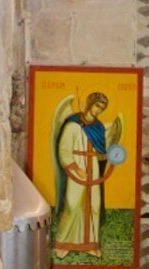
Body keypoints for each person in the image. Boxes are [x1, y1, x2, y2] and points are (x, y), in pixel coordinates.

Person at [50, 90, 119, 254]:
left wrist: (112, 157)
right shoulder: (72, 124)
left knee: (94, 206)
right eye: (97, 106)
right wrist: (75, 168)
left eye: (102, 108)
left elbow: (102, 151)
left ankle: (91, 245)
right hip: (77, 167)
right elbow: (64, 150)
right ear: (89, 104)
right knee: (73, 205)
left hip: (93, 168)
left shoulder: (99, 127)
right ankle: (62, 244)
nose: (98, 110)